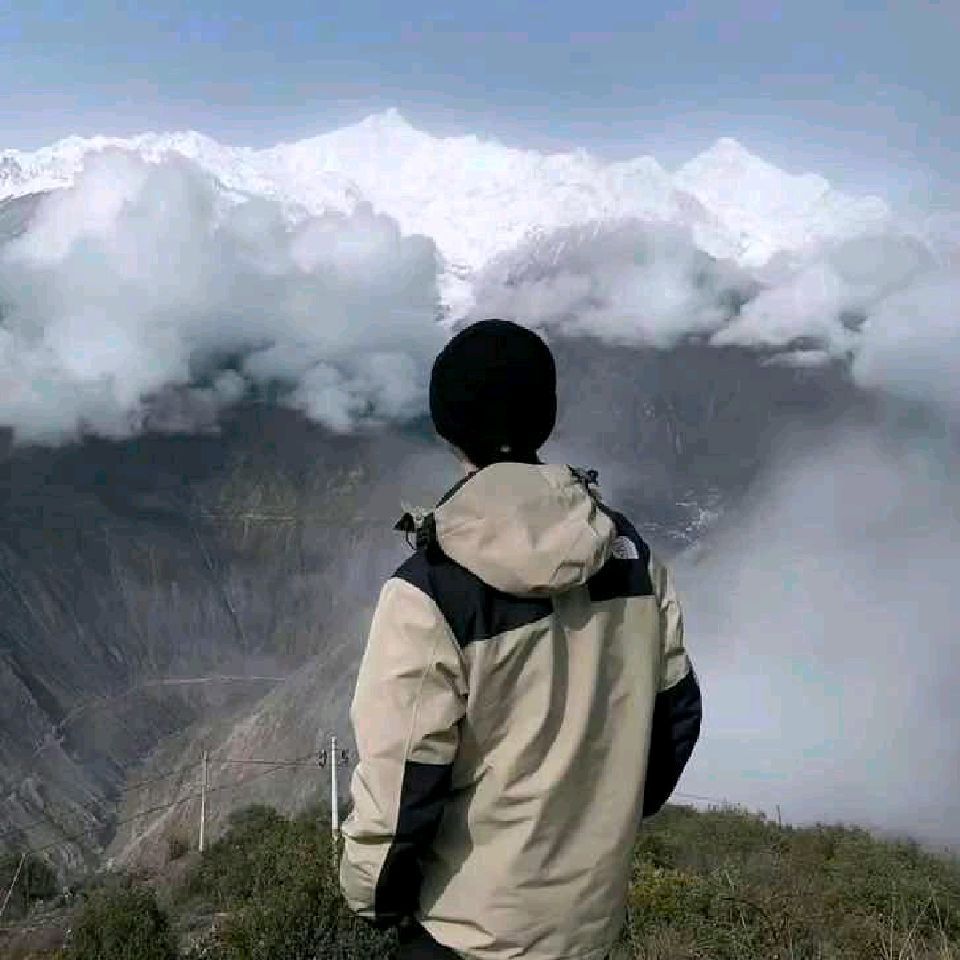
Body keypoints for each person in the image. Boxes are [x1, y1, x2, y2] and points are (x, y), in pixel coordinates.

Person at [339, 319, 702, 960]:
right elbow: (675, 720)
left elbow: (402, 782)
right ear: (546, 417)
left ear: (445, 427)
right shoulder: (633, 560)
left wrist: (373, 897)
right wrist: (606, 823)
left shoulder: (429, 590)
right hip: (589, 929)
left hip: (463, 934)